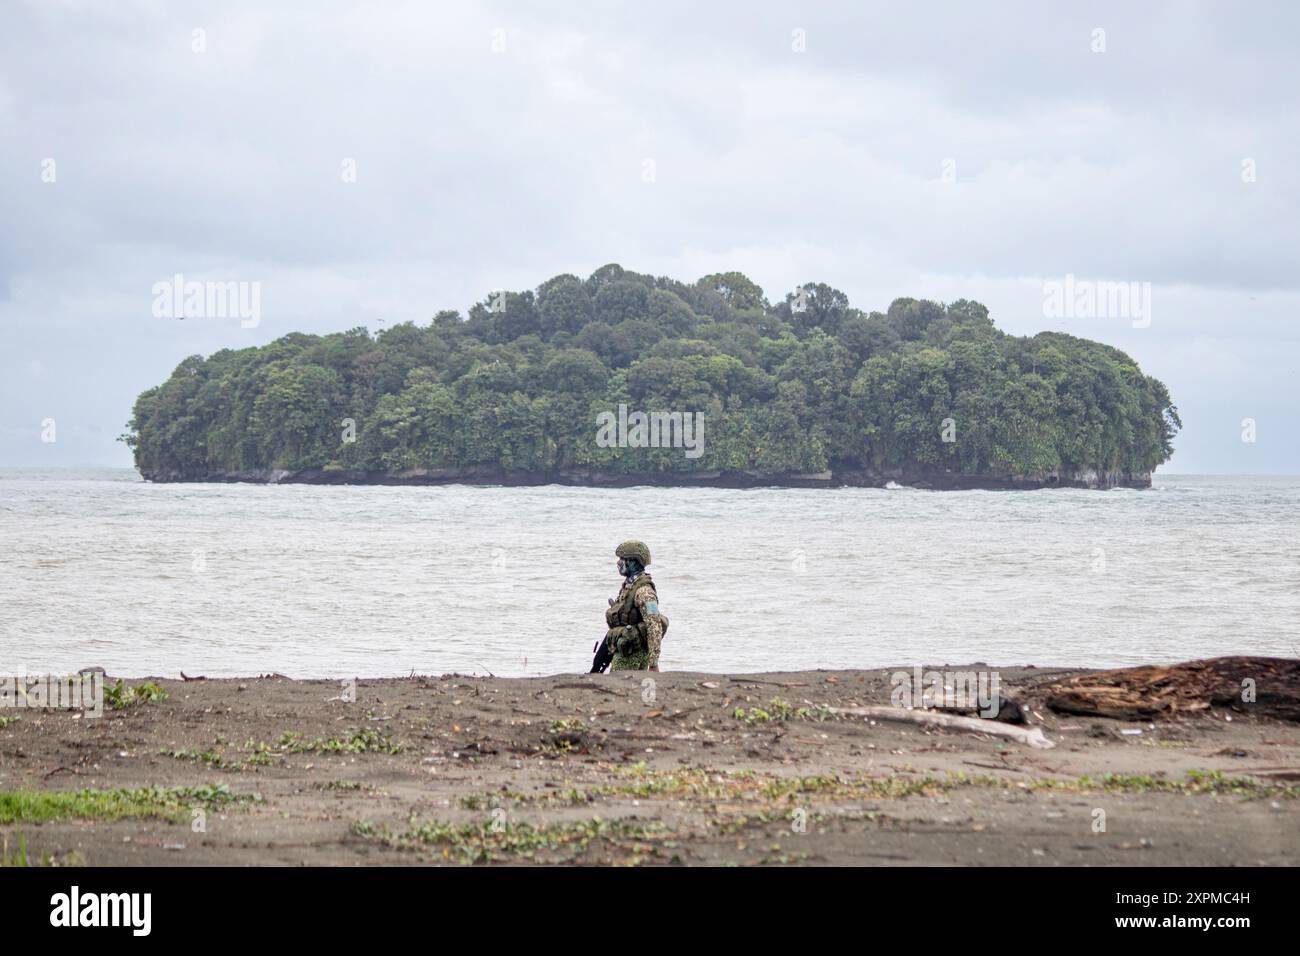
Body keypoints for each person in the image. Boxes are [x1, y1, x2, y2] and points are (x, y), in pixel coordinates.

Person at [604, 539, 667, 671]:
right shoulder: (629, 586)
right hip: (625, 652)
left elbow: (654, 625)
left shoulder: (644, 591)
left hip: (632, 656)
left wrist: (654, 664)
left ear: (633, 562)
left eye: (623, 558)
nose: (618, 562)